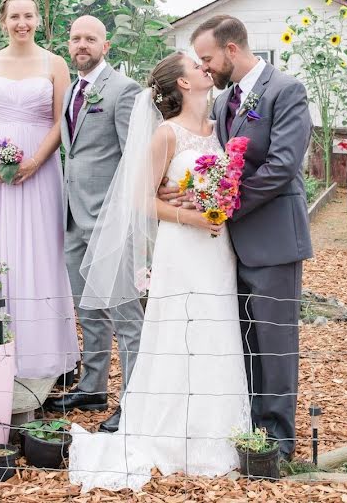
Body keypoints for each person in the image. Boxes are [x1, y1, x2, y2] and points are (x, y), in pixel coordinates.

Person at [68, 51, 250, 492]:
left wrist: (218, 205)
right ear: (182, 83)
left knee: (216, 327)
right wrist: (191, 217)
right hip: (182, 246)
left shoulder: (222, 127)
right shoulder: (166, 135)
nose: (204, 68)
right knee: (178, 331)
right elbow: (140, 200)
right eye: (195, 65)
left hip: (217, 247)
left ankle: (219, 431)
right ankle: (172, 434)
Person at [184, 15, 312, 461]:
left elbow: (281, 167)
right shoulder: (223, 104)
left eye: (207, 59)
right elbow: (216, 164)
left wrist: (223, 207)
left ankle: (278, 441)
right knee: (243, 341)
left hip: (273, 237)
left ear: (231, 50)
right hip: (228, 245)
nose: (205, 69)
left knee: (274, 342)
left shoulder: (286, 91)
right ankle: (251, 429)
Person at [0, 0, 79, 381]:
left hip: (41, 168)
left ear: (37, 21)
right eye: (15, 16)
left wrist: (35, 161)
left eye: (28, 16)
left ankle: (45, 358)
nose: (22, 23)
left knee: (40, 248)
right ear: (3, 21)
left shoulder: (55, 64)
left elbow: (60, 121)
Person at [42, 16, 144, 434]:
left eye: (90, 38)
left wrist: (120, 219)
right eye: (75, 38)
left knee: (125, 317)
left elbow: (132, 160)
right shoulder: (70, 89)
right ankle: (93, 386)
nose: (81, 44)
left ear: (107, 44)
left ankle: (134, 400)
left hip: (107, 221)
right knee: (88, 309)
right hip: (72, 217)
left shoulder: (123, 90)